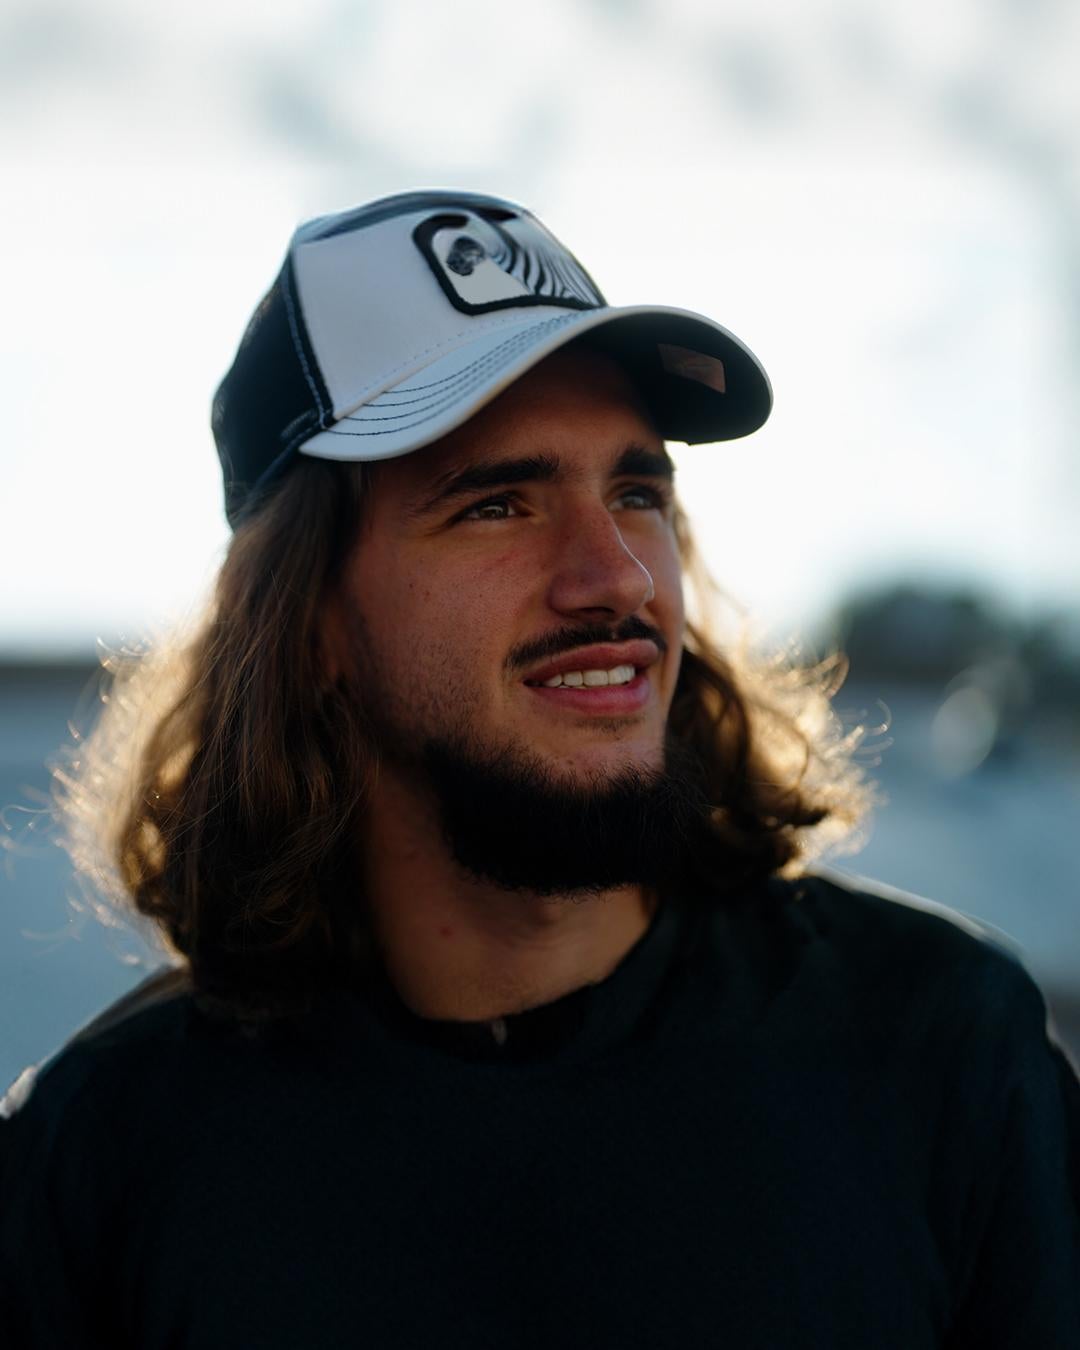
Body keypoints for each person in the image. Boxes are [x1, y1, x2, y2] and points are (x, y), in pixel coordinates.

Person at [1, 189, 1077, 1348]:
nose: (617, 577)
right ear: (307, 623)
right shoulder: (102, 1158)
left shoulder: (942, 1048)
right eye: (497, 505)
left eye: (636, 493)